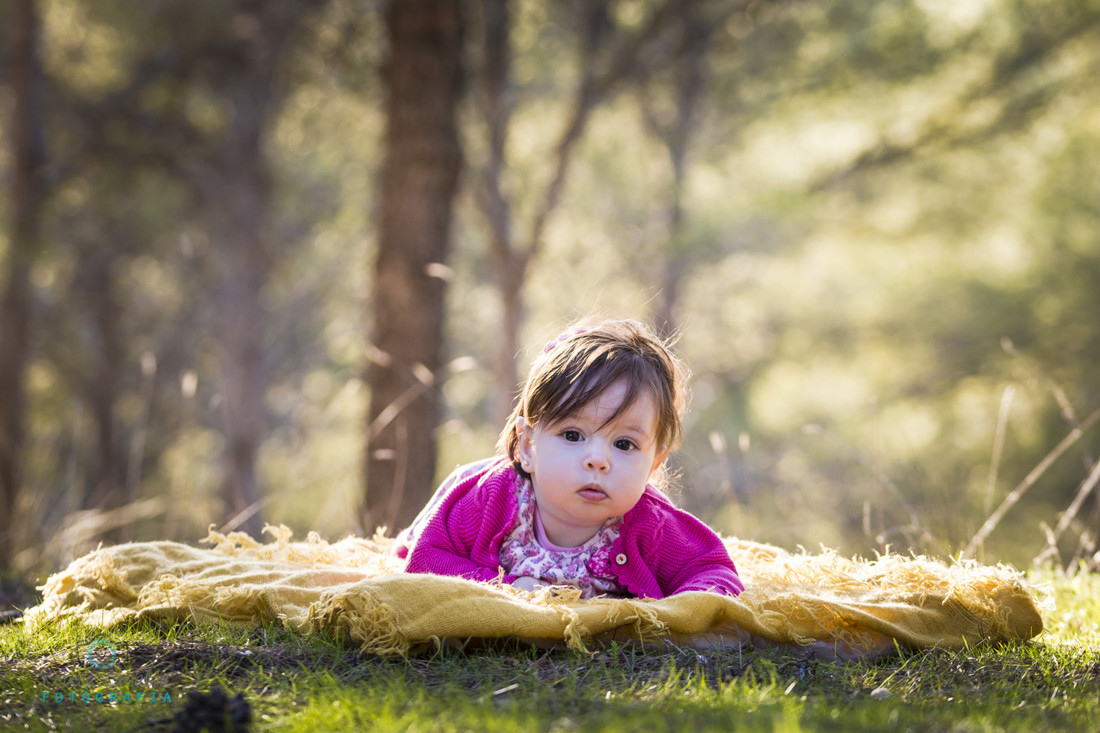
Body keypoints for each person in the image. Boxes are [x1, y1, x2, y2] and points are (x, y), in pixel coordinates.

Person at [394, 319, 743, 599]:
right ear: (529, 446)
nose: (598, 460)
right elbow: (425, 559)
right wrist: (506, 589)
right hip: (465, 508)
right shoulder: (489, 499)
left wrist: (686, 614)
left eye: (624, 444)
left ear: (654, 463)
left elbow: (713, 572)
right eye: (573, 436)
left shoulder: (652, 526)